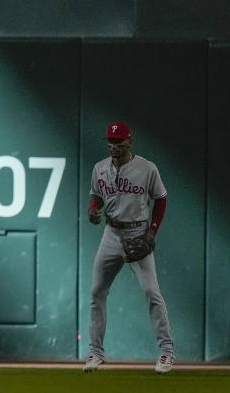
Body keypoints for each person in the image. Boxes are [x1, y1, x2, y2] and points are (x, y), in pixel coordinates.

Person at [83, 122, 174, 374]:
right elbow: (96, 195)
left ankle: (166, 352)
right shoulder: (99, 168)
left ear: (129, 142)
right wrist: (92, 209)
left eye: (119, 141)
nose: (113, 145)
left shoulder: (147, 168)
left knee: (151, 292)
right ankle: (95, 352)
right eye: (110, 141)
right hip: (111, 233)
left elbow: (161, 198)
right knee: (96, 292)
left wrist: (152, 230)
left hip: (137, 231)